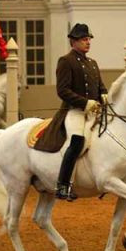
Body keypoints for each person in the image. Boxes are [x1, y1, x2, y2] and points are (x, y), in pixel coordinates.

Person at [34, 24, 107, 201]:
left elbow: (100, 86)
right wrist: (85, 102)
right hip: (74, 111)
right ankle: (63, 184)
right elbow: (63, 90)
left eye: (88, 39)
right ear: (74, 42)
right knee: (77, 141)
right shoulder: (66, 61)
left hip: (93, 112)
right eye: (84, 39)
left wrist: (104, 95)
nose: (88, 42)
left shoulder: (92, 63)